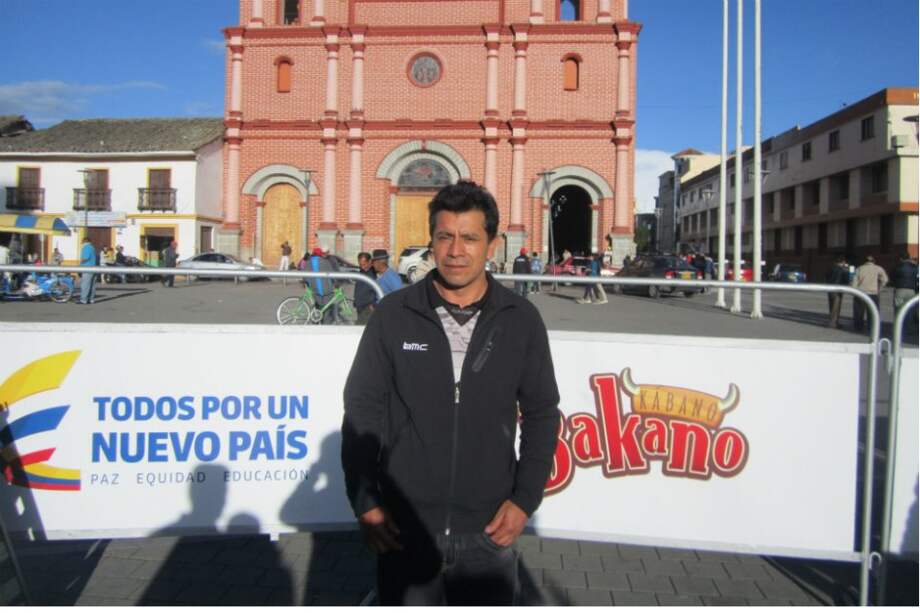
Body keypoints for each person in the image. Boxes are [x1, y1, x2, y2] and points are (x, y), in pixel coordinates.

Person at [342, 180, 560, 606]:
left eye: (470, 238)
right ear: (431, 243)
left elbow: (542, 414)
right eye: (445, 236)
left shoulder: (521, 319)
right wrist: (365, 501)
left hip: (489, 532)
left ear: (492, 244)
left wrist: (524, 500)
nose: (456, 250)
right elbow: (361, 410)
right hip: (405, 530)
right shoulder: (393, 315)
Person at [850, 254, 889, 333]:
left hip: (861, 293)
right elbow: (885, 279)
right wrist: (880, 288)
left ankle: (858, 327)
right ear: (874, 261)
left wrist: (854, 291)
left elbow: (854, 282)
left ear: (864, 261)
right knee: (872, 312)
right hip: (873, 293)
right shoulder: (878, 268)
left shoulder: (859, 268)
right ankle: (872, 327)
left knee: (859, 312)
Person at [307, 247, 338, 323]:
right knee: (327, 307)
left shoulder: (308, 262)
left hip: (313, 289)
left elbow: (305, 276)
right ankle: (325, 325)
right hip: (325, 289)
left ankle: (315, 321)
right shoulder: (325, 261)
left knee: (317, 306)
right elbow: (332, 274)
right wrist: (337, 282)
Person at [891, 252, 918, 331]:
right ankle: (909, 327)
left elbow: (892, 277)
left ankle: (899, 327)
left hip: (900, 289)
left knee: (898, 308)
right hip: (911, 290)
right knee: (910, 309)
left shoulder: (898, 267)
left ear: (901, 259)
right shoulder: (914, 267)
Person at [825, 254, 850, 328]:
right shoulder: (842, 270)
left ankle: (832, 321)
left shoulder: (830, 268)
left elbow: (826, 277)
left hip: (830, 288)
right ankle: (833, 323)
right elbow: (846, 280)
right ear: (842, 262)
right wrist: (846, 270)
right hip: (838, 289)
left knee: (831, 306)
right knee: (836, 307)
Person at [354, 251, 377, 325]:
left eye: (364, 264)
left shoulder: (375, 272)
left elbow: (378, 290)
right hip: (360, 307)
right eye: (360, 264)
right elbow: (358, 286)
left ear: (370, 261)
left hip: (368, 308)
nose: (362, 267)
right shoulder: (361, 271)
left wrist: (373, 305)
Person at [78, 236, 97, 304]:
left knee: (85, 285)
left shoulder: (86, 247)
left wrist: (80, 263)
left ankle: (83, 299)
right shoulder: (92, 247)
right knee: (92, 285)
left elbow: (86, 258)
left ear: (84, 241)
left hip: (87, 267)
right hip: (94, 268)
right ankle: (91, 299)